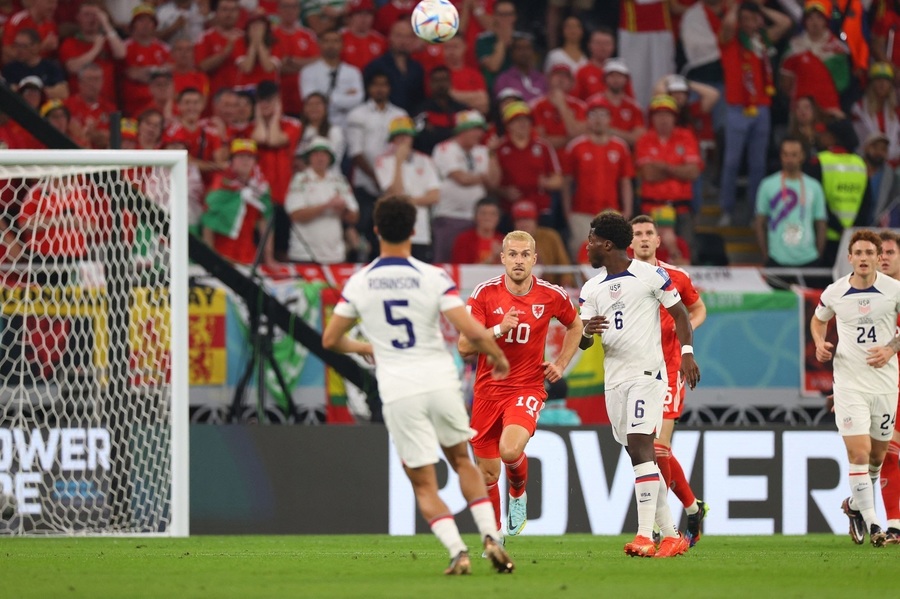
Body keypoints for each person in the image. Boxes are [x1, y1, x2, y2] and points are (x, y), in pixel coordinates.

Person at [321, 194, 515, 576]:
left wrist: (367, 346)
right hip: (439, 381)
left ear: (375, 230)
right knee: (462, 460)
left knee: (424, 482)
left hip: (399, 389)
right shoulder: (432, 276)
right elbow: (469, 328)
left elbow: (330, 340)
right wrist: (496, 353)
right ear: (413, 230)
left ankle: (457, 551)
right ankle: (490, 536)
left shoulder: (360, 282)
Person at [579, 210, 699, 557]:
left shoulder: (650, 275)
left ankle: (645, 536)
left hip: (648, 374)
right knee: (638, 455)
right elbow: (586, 341)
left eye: (590, 240)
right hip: (614, 380)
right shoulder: (591, 288)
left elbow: (681, 315)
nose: (586, 246)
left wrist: (687, 353)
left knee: (642, 447)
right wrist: (587, 333)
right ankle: (672, 534)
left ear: (606, 243)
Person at [458, 230, 583, 539]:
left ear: (534, 259)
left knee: (510, 449)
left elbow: (575, 324)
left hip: (526, 388)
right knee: (487, 472)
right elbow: (464, 346)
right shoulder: (484, 294)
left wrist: (561, 363)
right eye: (512, 254)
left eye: (524, 254)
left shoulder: (550, 294)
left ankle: (518, 493)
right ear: (502, 259)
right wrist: (499, 328)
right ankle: (494, 537)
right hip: (487, 392)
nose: (518, 260)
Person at [811, 229, 900, 548]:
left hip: (885, 386)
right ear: (850, 257)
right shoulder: (835, 292)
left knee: (878, 456)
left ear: (879, 258)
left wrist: (891, 348)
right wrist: (820, 342)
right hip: (849, 385)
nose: (863, 258)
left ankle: (855, 506)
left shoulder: (893, 290)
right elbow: (818, 319)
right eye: (858, 253)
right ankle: (875, 522)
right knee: (859, 453)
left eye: (869, 253)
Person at [630, 213, 708, 546]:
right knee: (643, 449)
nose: (645, 238)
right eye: (638, 234)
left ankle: (664, 524)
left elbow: (698, 309)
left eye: (650, 233)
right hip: (632, 373)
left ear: (658, 240)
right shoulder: (620, 278)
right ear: (630, 242)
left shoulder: (676, 276)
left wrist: (685, 335)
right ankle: (692, 508)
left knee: (658, 448)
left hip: (668, 368)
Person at [717, 1, 792, 226]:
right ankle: (726, 210)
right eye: (746, 19)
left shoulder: (762, 40)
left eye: (753, 19)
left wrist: (761, 11)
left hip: (761, 109)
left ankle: (754, 213)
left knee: (757, 164)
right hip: (738, 108)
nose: (750, 23)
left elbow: (785, 22)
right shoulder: (730, 40)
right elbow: (727, 26)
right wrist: (736, 8)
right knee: (731, 162)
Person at [563, 95, 635, 258]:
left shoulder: (620, 147)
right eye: (593, 115)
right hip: (581, 212)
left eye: (603, 115)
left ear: (610, 119)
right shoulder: (575, 147)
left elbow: (625, 182)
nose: (598, 120)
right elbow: (566, 183)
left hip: (611, 212)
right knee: (582, 252)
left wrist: (627, 210)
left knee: (613, 255)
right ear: (587, 119)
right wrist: (568, 213)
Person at [431, 110, 498, 263]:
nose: (480, 134)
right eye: (475, 129)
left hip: (476, 220)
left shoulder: (482, 151)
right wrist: (483, 177)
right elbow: (461, 178)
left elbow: (493, 182)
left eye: (481, 129)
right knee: (446, 262)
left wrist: (492, 155)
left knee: (472, 262)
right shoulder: (444, 149)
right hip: (449, 216)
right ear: (462, 130)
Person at [374, 115, 441, 262]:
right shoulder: (383, 161)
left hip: (420, 231)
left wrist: (406, 201)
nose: (403, 140)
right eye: (398, 137)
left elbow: (434, 196)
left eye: (406, 136)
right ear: (392, 140)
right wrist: (398, 161)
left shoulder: (425, 160)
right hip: (392, 233)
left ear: (412, 138)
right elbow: (395, 193)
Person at [201, 138, 276, 268]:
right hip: (221, 256)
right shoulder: (221, 185)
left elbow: (264, 222)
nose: (245, 160)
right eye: (240, 156)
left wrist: (268, 258)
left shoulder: (261, 188)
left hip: (248, 257)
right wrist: (210, 259)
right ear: (232, 160)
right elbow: (208, 225)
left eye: (250, 157)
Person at [754, 136, 827, 268]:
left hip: (809, 258)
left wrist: (818, 254)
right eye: (786, 155)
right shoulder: (767, 185)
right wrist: (766, 256)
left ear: (802, 156)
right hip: (777, 258)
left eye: (794, 155)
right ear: (781, 156)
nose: (789, 159)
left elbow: (821, 223)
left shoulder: (814, 186)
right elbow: (760, 223)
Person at [285, 136, 358, 264]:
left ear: (330, 158)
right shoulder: (299, 180)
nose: (320, 158)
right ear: (309, 158)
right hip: (303, 255)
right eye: (316, 154)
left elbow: (354, 217)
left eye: (324, 154)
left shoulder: (340, 181)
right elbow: (295, 215)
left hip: (335, 255)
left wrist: (343, 210)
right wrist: (326, 206)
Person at [876, 229, 900, 543]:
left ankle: (856, 503)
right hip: (884, 385)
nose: (883, 257)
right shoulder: (860, 296)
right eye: (879, 252)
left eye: (890, 252)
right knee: (887, 454)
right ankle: (894, 525)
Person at [299, 28, 365, 130]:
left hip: (348, 125)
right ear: (319, 44)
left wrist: (330, 99)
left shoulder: (353, 72)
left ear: (342, 45)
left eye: (335, 41)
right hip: (319, 126)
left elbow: (357, 99)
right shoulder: (308, 72)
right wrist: (344, 96)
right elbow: (311, 101)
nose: (331, 45)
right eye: (326, 41)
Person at [509, 200, 573, 288]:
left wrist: (565, 287)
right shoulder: (508, 241)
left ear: (535, 221)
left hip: (550, 288)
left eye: (527, 219)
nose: (524, 224)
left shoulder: (550, 236)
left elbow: (564, 266)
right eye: (519, 220)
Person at [450, 197, 505, 265]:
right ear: (475, 216)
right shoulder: (464, 240)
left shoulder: (504, 241)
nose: (487, 218)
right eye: (483, 213)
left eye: (492, 214)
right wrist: (492, 257)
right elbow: (462, 269)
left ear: (498, 218)